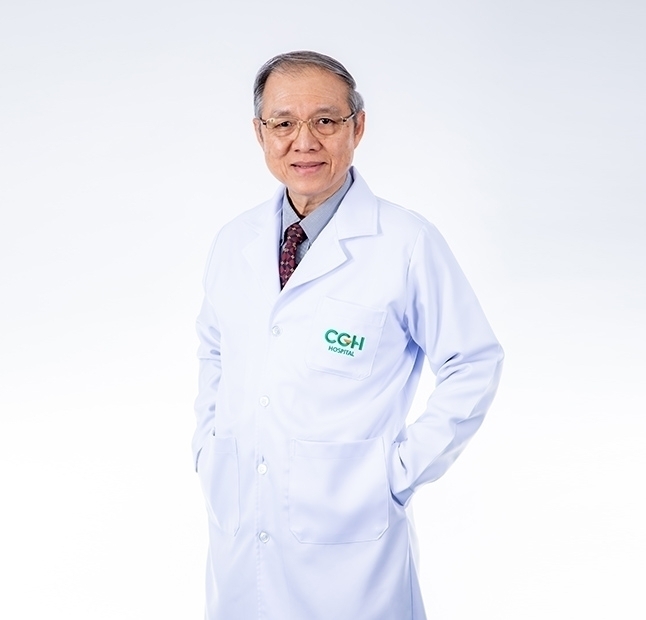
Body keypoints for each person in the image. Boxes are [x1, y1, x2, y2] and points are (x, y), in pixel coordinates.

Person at [193, 50, 504, 620]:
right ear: (260, 133)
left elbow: (473, 361)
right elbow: (215, 352)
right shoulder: (234, 242)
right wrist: (208, 448)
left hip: (354, 550)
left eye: (325, 120)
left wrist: (396, 473)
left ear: (357, 127)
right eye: (283, 123)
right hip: (240, 535)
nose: (304, 142)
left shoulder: (405, 243)